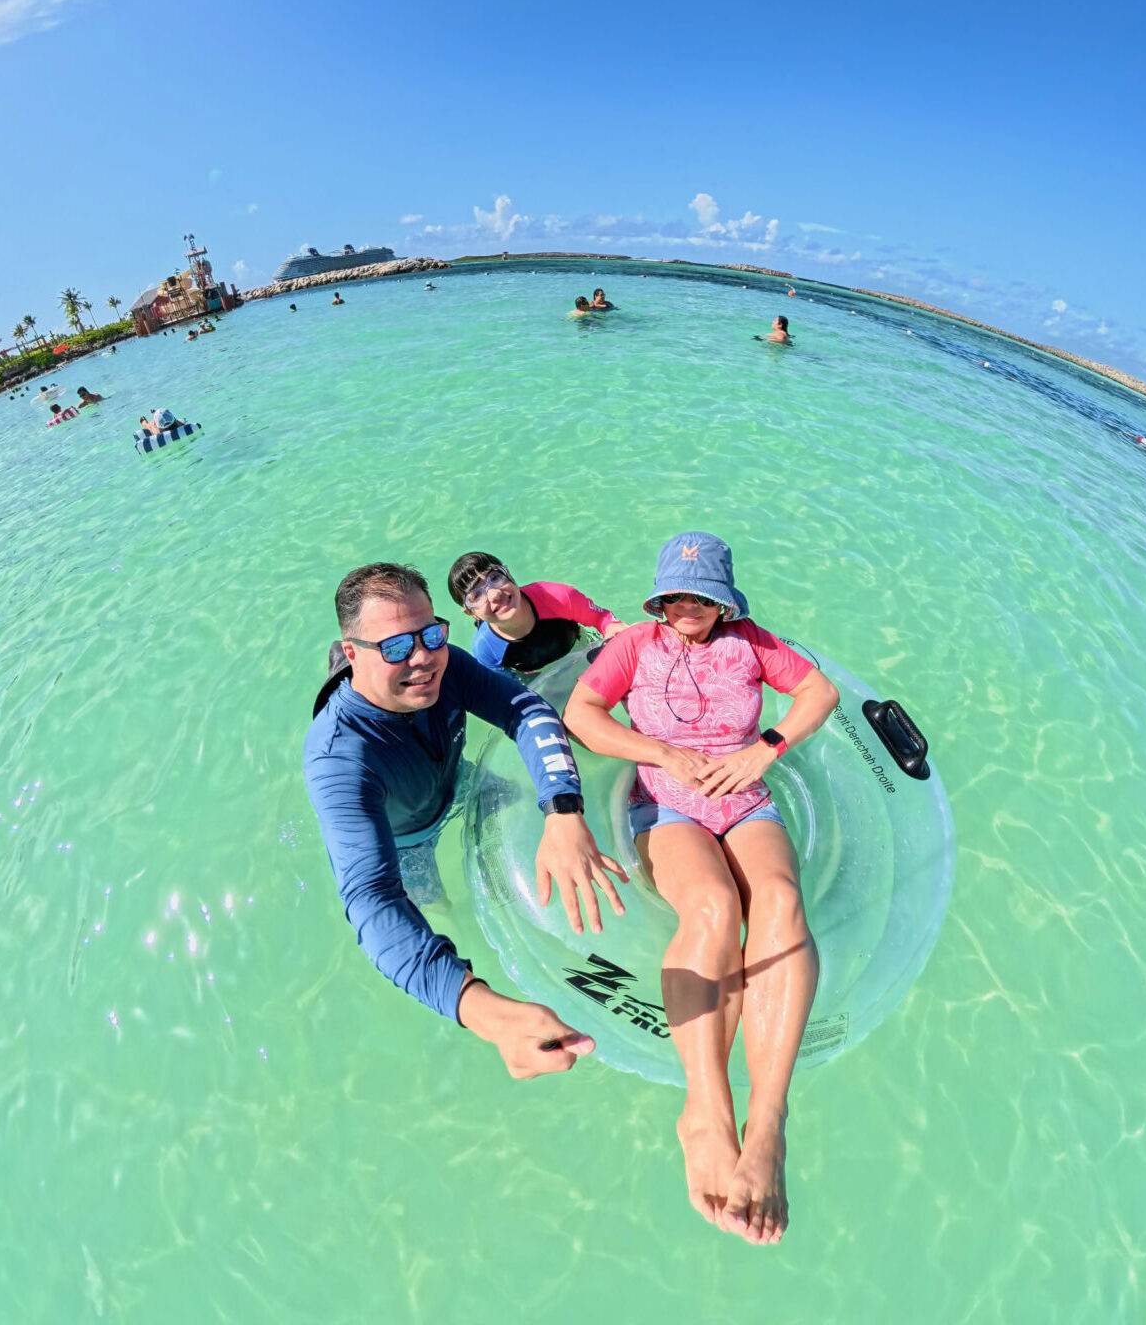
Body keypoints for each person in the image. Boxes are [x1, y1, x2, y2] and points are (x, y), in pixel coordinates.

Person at [561, 533, 840, 1246]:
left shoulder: (751, 642)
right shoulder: (634, 647)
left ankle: (768, 1124)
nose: (688, 607)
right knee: (714, 907)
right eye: (675, 595)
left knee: (777, 901)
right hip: (666, 803)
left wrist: (765, 750)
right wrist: (658, 752)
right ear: (657, 599)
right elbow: (582, 717)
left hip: (745, 800)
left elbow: (819, 691)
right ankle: (707, 1111)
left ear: (724, 601)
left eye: (703, 596)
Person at [303, 562, 627, 1079]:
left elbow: (523, 707)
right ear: (351, 655)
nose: (423, 659)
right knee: (433, 901)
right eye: (393, 647)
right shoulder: (339, 761)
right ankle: (452, 912)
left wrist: (563, 810)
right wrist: (485, 1011)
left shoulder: (446, 663)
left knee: (527, 802)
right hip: (408, 840)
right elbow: (371, 898)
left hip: (459, 779)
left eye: (430, 633)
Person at [448, 552, 620, 674]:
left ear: (509, 574)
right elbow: (505, 692)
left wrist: (613, 629)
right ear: (472, 613)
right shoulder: (486, 649)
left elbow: (602, 619)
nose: (495, 594)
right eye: (476, 595)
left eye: (494, 577)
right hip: (538, 680)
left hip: (581, 650)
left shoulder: (555, 596)